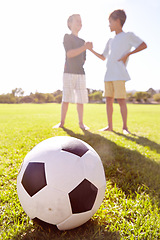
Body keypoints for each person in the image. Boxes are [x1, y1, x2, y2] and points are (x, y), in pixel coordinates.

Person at [90, 9, 147, 134]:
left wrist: (128, 54)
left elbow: (143, 45)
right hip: (108, 74)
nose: (109, 25)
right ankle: (109, 126)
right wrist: (90, 49)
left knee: (121, 100)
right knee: (108, 100)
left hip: (119, 74)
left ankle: (125, 127)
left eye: (110, 22)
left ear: (117, 21)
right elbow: (103, 56)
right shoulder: (110, 40)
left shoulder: (128, 36)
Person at [53, 14, 93, 130]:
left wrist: (84, 48)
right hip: (68, 72)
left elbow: (84, 59)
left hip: (80, 73)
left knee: (80, 100)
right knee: (66, 98)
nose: (80, 23)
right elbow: (69, 54)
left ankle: (81, 123)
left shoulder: (82, 41)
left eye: (81, 21)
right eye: (77, 21)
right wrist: (84, 47)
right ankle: (62, 123)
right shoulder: (67, 37)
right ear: (69, 24)